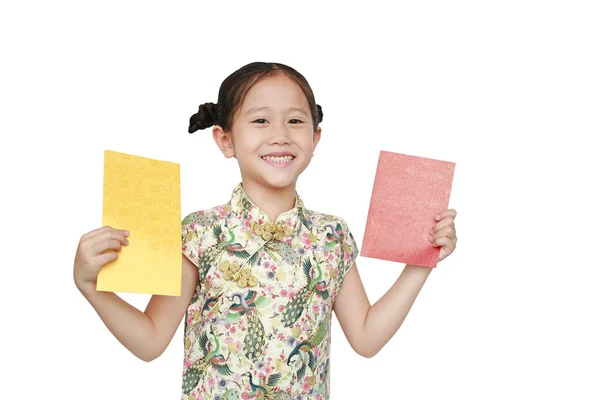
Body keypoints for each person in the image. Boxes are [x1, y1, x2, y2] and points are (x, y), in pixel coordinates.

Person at [73, 61, 458, 400]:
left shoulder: (331, 237)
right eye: (260, 120)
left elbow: (367, 338)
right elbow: (151, 339)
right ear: (226, 139)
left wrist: (421, 261)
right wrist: (90, 286)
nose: (280, 134)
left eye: (295, 120)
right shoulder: (199, 233)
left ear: (315, 137)